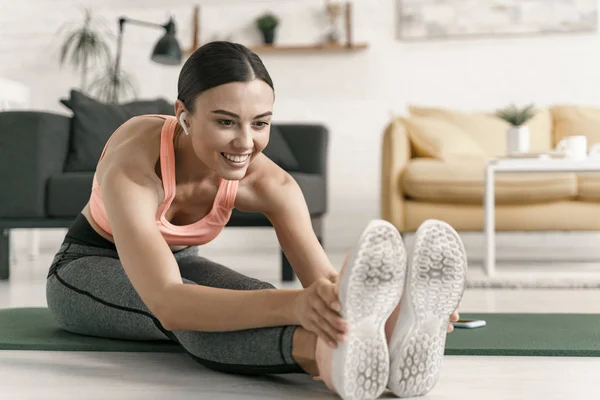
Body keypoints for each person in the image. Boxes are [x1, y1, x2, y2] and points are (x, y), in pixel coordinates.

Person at [45, 41, 467, 400]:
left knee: (254, 300)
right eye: (226, 122)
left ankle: (392, 337)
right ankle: (324, 356)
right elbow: (169, 302)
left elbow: (320, 281)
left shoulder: (272, 183)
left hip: (181, 261)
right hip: (88, 267)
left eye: (260, 124)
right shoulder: (135, 167)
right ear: (184, 115)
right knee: (192, 315)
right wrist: (296, 306)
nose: (245, 143)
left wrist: (376, 306)